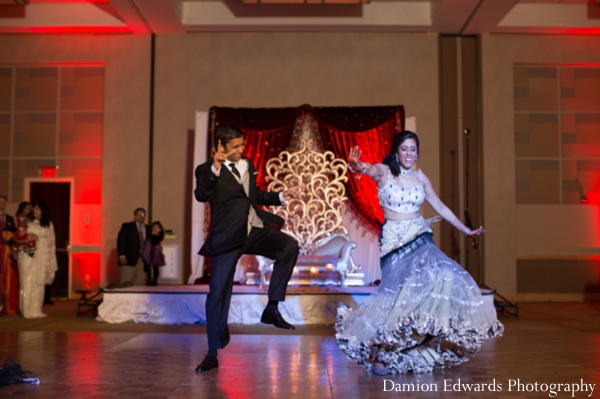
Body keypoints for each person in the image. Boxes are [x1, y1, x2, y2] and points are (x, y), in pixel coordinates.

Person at [335, 131, 504, 375]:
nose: (409, 153)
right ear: (396, 150)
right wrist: (357, 166)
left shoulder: (421, 179)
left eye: (413, 149)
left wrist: (466, 230)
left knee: (442, 272)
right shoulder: (385, 171)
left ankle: (411, 342)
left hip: (419, 236)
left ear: (418, 152)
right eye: (404, 148)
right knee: (397, 296)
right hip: (394, 243)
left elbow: (442, 208)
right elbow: (368, 169)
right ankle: (382, 349)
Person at [194, 124, 300, 372]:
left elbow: (253, 196)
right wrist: (215, 168)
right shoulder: (207, 170)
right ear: (220, 147)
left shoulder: (248, 164)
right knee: (217, 294)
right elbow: (201, 194)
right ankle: (212, 354)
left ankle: (271, 309)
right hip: (227, 237)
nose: (242, 150)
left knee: (289, 247)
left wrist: (282, 196)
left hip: (253, 230)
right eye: (236, 147)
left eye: (242, 144)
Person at [17, 202, 57, 318]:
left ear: (43, 211)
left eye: (37, 209)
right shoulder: (29, 223)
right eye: (34, 209)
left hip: (41, 257)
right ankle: (26, 310)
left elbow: (51, 243)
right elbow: (20, 234)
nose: (34, 211)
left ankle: (36, 310)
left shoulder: (48, 224)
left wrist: (50, 261)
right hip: (28, 256)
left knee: (38, 283)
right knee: (27, 281)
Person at [117, 208, 150, 286]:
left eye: (143, 214)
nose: (141, 216)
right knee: (126, 283)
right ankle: (125, 298)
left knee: (140, 283)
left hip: (143, 261)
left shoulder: (148, 228)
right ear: (134, 216)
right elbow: (121, 241)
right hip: (128, 259)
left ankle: (138, 298)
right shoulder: (127, 226)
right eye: (139, 214)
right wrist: (122, 255)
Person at [0, 195, 16, 314]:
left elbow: (14, 235)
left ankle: (5, 304)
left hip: (6, 253)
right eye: (0, 202)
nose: (2, 204)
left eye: (4, 202)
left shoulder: (10, 219)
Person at [142, 221, 166, 286]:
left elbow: (155, 242)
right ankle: (150, 281)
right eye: (154, 227)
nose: (155, 229)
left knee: (155, 267)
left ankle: (154, 281)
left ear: (160, 229)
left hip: (155, 252)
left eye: (157, 227)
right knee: (148, 267)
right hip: (149, 251)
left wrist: (153, 235)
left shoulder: (157, 236)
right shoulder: (150, 235)